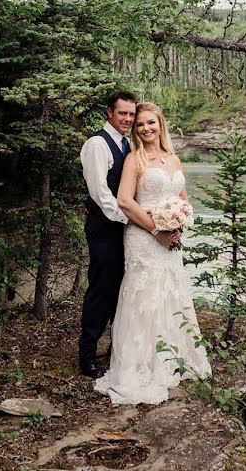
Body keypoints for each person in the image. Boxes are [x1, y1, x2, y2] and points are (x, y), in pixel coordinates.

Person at [94, 102, 211, 404]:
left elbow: (183, 199)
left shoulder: (174, 159)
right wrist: (157, 230)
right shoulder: (135, 159)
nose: (146, 129)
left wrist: (180, 221)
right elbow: (125, 201)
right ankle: (141, 367)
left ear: (161, 124)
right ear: (135, 131)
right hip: (144, 238)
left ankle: (173, 361)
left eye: (151, 123)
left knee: (171, 294)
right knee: (144, 297)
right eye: (140, 125)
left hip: (170, 238)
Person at [78, 91, 142, 378]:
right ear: (109, 113)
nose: (127, 118)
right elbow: (100, 192)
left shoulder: (127, 144)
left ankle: (118, 348)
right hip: (105, 227)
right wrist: (127, 218)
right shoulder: (96, 144)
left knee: (122, 289)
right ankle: (87, 355)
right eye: (122, 113)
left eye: (131, 114)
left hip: (124, 227)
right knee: (101, 290)